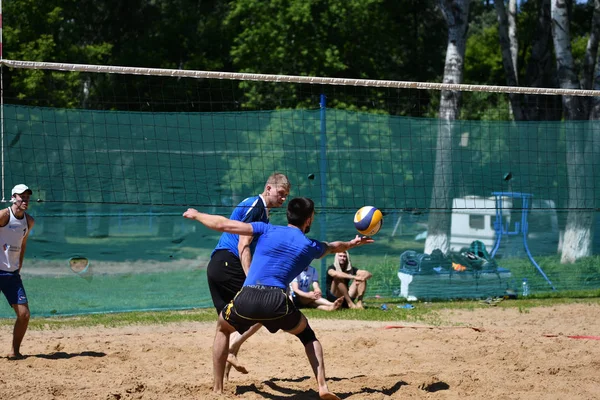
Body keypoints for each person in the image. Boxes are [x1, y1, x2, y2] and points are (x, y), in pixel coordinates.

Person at [183, 197, 373, 399]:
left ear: (288, 214)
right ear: (308, 219)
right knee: (308, 335)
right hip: (277, 301)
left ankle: (218, 390)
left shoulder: (266, 229)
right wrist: (352, 244)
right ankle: (323, 386)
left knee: (223, 327)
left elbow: (223, 224)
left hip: (247, 295)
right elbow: (334, 246)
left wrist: (197, 215)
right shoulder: (310, 245)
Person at [206, 172, 290, 377]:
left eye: (286, 195)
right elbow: (243, 245)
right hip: (229, 263)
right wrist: (252, 281)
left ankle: (219, 386)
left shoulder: (262, 212)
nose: (283, 198)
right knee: (266, 305)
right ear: (268, 188)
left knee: (226, 325)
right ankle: (233, 349)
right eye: (281, 193)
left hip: (218, 266)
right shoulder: (255, 206)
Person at [0, 184, 35, 359]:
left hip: (12, 274)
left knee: (24, 315)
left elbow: (23, 244)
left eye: (27, 196)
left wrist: (18, 266)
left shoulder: (29, 221)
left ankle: (15, 351)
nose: (25, 199)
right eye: (22, 196)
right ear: (14, 197)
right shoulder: (3, 215)